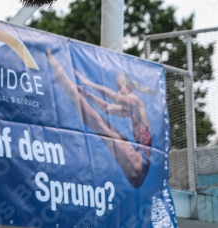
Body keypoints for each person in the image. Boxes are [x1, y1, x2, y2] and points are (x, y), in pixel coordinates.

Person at [46, 48, 155, 188]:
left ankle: (64, 80)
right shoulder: (130, 111)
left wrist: (89, 83)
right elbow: (106, 108)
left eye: (119, 87)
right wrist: (87, 94)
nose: (118, 91)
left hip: (139, 163)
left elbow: (115, 98)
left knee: (100, 126)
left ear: (127, 87)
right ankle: (67, 84)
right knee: (101, 126)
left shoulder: (135, 101)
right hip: (136, 167)